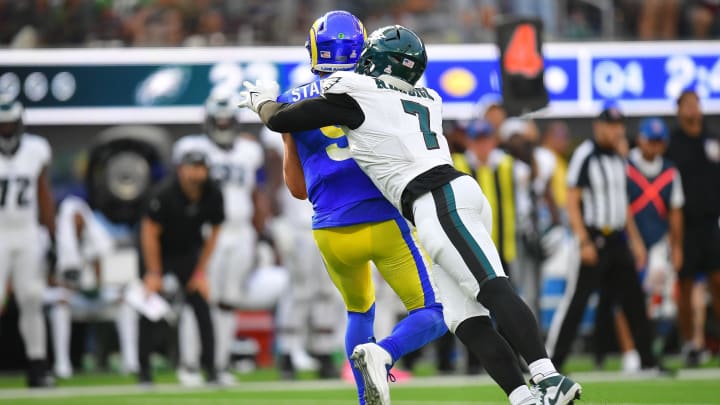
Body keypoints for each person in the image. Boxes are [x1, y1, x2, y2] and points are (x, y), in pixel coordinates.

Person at [240, 24, 581, 405]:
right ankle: (522, 397)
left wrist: (263, 101)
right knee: (462, 318)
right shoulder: (429, 95)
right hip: (442, 199)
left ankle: (548, 378)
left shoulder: (358, 90)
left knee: (491, 286)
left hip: (433, 200)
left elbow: (281, 120)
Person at [273, 11, 448, 403]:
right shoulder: (377, 89)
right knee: (435, 311)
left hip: (330, 229)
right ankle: (385, 353)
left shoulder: (289, 102)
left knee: (359, 313)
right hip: (384, 221)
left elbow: (297, 189)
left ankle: (365, 398)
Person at [545, 103, 660, 373]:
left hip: (618, 236)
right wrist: (583, 240)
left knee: (634, 299)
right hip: (594, 236)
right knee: (577, 300)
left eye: (619, 126)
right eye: (611, 125)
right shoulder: (585, 155)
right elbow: (572, 202)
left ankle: (649, 361)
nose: (615, 131)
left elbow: (623, 204)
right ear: (598, 126)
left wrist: (636, 241)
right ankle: (554, 362)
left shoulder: (620, 157)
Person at [173, 89, 269, 385]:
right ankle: (189, 364)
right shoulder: (192, 148)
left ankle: (218, 364)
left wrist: (261, 233)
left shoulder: (249, 151)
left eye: (229, 122)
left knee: (228, 301)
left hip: (241, 231)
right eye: (220, 122)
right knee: (200, 299)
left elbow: (255, 193)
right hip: (207, 233)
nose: (224, 127)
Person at [138, 150, 221, 385]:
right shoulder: (164, 193)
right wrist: (153, 273)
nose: (196, 173)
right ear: (181, 169)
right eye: (191, 167)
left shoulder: (212, 193)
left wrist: (200, 272)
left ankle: (211, 369)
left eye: (200, 167)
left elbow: (215, 231)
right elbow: (149, 232)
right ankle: (144, 372)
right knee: (150, 309)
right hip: (158, 253)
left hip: (188, 253)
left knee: (202, 306)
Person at [47, 196, 138, 378]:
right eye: (75, 220)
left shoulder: (94, 238)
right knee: (59, 307)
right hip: (72, 297)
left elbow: (103, 273)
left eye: (82, 218)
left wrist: (99, 284)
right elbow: (48, 278)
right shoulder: (53, 240)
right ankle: (62, 364)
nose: (80, 223)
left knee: (126, 304)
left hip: (95, 296)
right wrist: (67, 285)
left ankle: (131, 361)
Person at [0, 95, 56, 387]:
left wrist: (54, 236)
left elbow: (43, 194)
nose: (6, 129)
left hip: (26, 232)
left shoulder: (36, 149)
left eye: (10, 123)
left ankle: (37, 366)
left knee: (32, 298)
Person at [620, 117, 684, 371]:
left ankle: (651, 349)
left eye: (659, 142)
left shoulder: (669, 170)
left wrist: (676, 246)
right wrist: (635, 241)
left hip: (658, 242)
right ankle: (629, 351)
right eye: (651, 141)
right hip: (629, 242)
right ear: (641, 140)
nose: (654, 147)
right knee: (625, 298)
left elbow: (675, 211)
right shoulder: (625, 166)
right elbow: (622, 207)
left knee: (660, 301)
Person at [665, 89, 720, 367]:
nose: (693, 109)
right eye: (687, 104)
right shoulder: (673, 143)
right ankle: (689, 343)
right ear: (679, 109)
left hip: (712, 223)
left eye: (696, 103)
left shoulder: (712, 138)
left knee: (718, 282)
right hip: (685, 224)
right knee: (684, 287)